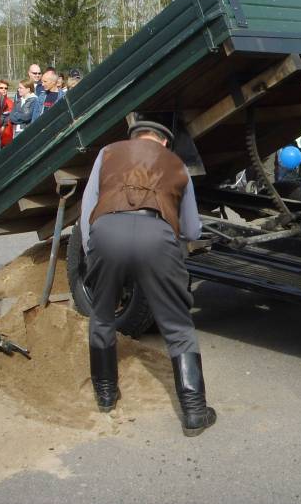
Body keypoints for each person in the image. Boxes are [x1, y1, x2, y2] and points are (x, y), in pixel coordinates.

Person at [79, 117, 216, 436]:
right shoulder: (177, 163)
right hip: (157, 235)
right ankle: (194, 412)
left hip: (107, 231)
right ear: (164, 142)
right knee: (177, 325)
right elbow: (193, 229)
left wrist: (92, 249)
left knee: (101, 317)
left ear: (133, 138)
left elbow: (88, 207)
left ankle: (105, 396)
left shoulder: (108, 153)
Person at [0, 80, 15, 147]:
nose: (3, 90)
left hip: (7, 136)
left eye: (5, 88)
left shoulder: (11, 103)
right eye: (1, 88)